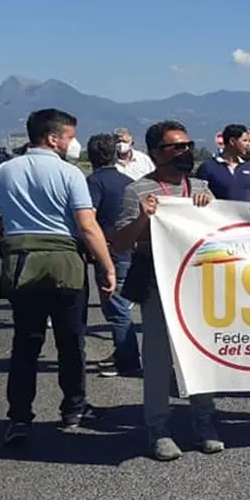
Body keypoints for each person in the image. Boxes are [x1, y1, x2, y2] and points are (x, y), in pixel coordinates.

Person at [0, 109, 115, 448]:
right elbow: (87, 226)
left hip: (21, 263)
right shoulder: (68, 174)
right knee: (71, 342)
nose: (72, 143)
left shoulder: (1, 171)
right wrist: (106, 265)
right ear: (53, 138)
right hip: (64, 262)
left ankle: (19, 417)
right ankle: (73, 409)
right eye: (70, 136)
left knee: (26, 343)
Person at [111, 121, 223, 461]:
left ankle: (204, 423)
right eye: (176, 146)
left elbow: (222, 233)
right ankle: (157, 429)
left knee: (200, 356)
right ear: (157, 153)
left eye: (188, 145)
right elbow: (120, 242)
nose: (185, 151)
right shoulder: (138, 191)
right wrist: (144, 219)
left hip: (198, 284)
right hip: (158, 284)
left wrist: (212, 211)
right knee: (158, 360)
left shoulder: (202, 187)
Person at [85, 133, 140, 377]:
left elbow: (88, 217)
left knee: (116, 307)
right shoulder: (129, 181)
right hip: (129, 247)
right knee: (119, 303)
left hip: (108, 250)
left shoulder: (94, 183)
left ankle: (128, 361)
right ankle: (122, 352)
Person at [195, 124, 250, 202]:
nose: (248, 145)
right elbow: (200, 194)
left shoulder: (249, 168)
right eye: (245, 141)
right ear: (232, 141)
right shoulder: (207, 167)